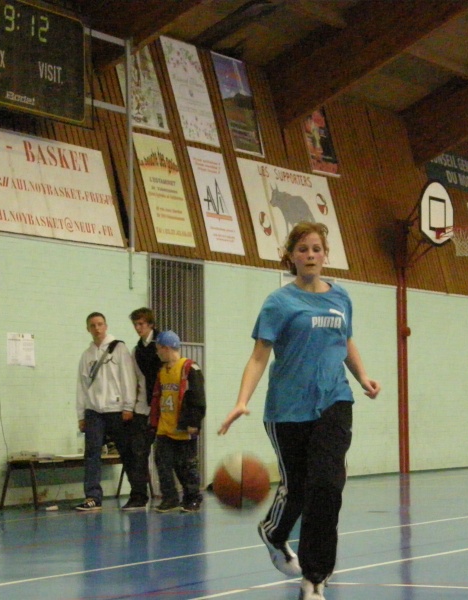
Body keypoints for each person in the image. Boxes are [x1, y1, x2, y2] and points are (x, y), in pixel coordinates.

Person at [218, 222, 381, 600]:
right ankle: (274, 532)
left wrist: (362, 377)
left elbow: (346, 340)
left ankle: (314, 577)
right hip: (288, 409)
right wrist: (242, 399)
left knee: (327, 486)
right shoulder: (279, 302)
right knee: (299, 488)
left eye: (317, 249)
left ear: (326, 255)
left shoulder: (341, 298)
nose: (310, 255)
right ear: (291, 256)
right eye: (303, 249)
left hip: (334, 401)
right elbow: (259, 356)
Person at [75, 312, 138, 511]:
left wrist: (128, 406)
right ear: (88, 329)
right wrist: (81, 415)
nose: (97, 328)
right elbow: (81, 386)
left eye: (100, 324)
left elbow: (128, 378)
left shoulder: (119, 349)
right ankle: (93, 497)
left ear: (106, 326)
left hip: (116, 409)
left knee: (127, 452)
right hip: (93, 411)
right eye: (93, 325)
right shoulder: (86, 355)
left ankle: (138, 494)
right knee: (92, 453)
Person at [149, 330, 206, 513]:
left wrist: (194, 422)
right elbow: (158, 397)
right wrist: (154, 421)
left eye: (158, 348)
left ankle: (193, 498)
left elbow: (198, 397)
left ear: (166, 348)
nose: (157, 352)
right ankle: (170, 498)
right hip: (165, 427)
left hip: (183, 427)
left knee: (187, 465)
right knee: (162, 463)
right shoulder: (162, 372)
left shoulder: (189, 368)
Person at [120, 307, 162, 510]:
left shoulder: (163, 343)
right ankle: (138, 495)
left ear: (151, 324)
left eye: (141, 324)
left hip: (164, 409)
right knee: (137, 452)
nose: (138, 328)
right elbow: (137, 380)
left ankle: (174, 495)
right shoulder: (136, 350)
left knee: (166, 455)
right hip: (143, 408)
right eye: (135, 324)